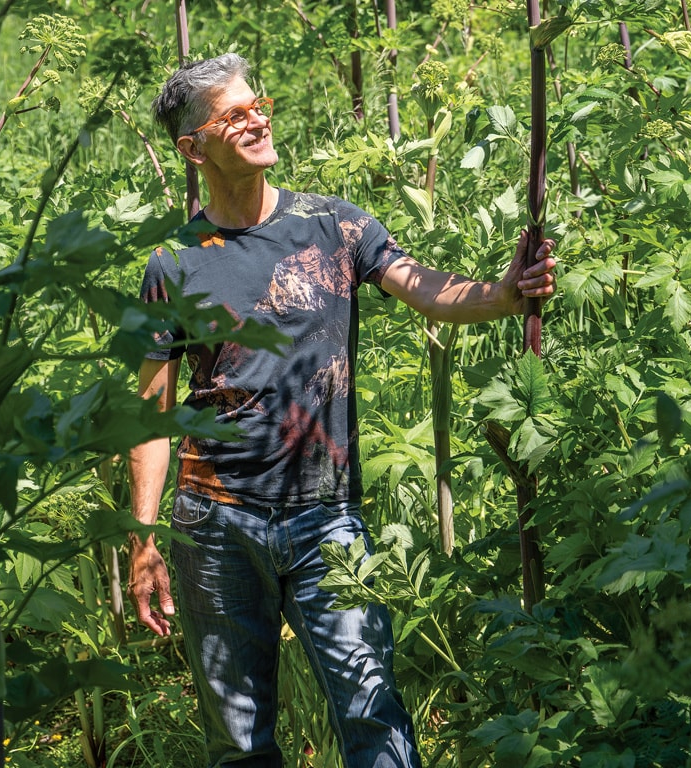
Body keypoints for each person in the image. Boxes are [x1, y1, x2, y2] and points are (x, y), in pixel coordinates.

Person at [127, 53, 557, 768]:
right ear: (192, 148)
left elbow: (426, 289)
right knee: (238, 743)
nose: (258, 119)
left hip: (327, 518)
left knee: (375, 717)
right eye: (234, 114)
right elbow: (148, 414)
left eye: (259, 104)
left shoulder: (334, 224)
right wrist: (142, 541)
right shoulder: (174, 264)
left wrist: (506, 293)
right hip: (214, 525)